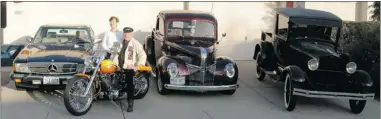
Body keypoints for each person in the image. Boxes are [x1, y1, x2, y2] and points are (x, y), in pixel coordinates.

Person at [112, 27, 147, 112]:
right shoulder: (119, 42)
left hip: (129, 67)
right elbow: (113, 53)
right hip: (118, 67)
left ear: (132, 34)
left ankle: (130, 102)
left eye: (128, 34)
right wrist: (112, 61)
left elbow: (142, 55)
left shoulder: (135, 43)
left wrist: (137, 66)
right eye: (125, 33)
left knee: (129, 83)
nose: (126, 35)